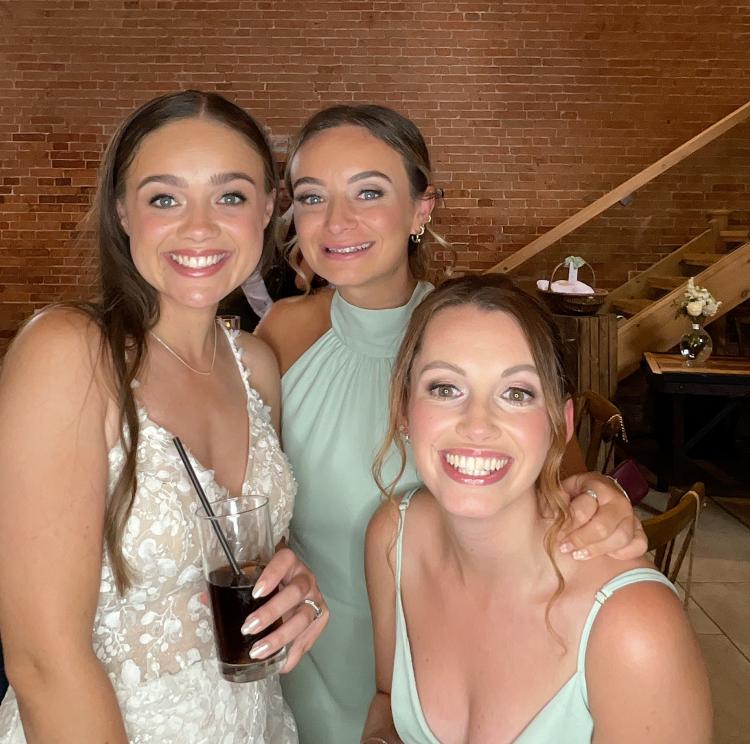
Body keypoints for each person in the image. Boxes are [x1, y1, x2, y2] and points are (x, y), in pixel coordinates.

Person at [256, 104, 648, 744]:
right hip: (310, 658)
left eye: (369, 192)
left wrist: (600, 497)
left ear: (422, 208)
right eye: (311, 196)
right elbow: (250, 499)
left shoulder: (476, 337)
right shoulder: (282, 334)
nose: (336, 221)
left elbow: (561, 484)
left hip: (451, 671)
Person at [0, 91, 328, 743]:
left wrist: (297, 586)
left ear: (268, 208)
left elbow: (249, 554)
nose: (199, 228)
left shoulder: (256, 365)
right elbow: (43, 663)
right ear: (123, 211)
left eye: (230, 196)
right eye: (165, 199)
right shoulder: (69, 354)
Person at [363, 274, 712, 744]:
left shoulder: (635, 629)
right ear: (404, 410)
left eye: (516, 393)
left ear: (559, 425)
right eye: (445, 388)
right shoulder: (393, 537)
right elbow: (387, 701)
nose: (477, 425)